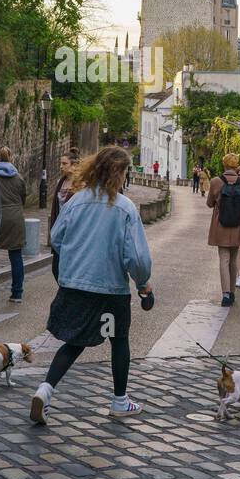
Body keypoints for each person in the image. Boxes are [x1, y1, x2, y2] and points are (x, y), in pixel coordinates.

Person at [32, 146, 152, 425]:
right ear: (119, 173)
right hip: (110, 290)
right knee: (119, 340)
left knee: (74, 341)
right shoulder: (124, 208)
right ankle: (120, 401)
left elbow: (58, 238)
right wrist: (143, 284)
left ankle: (45, 389)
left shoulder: (76, 202)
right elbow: (136, 257)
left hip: (75, 284)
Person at [206, 153, 240, 307]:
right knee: (233, 259)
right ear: (236, 166)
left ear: (224, 164)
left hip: (221, 225)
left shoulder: (216, 181)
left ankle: (225, 294)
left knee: (223, 259)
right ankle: (232, 292)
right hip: (237, 225)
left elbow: (210, 203)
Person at [0, 146, 28, 304]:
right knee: (15, 256)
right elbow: (23, 198)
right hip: (15, 217)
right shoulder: (18, 177)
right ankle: (17, 293)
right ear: (11, 157)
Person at [49, 147, 80, 282]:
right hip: (60, 229)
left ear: (74, 165)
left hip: (74, 231)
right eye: (61, 163)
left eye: (64, 163)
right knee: (56, 269)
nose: (61, 167)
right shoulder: (60, 182)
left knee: (71, 267)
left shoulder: (81, 185)